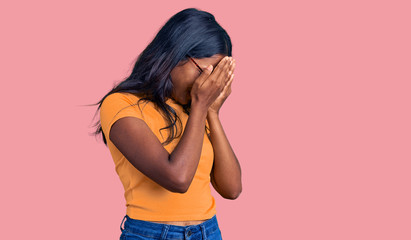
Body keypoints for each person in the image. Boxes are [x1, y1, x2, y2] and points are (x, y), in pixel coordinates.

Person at [91, 8, 242, 240]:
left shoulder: (196, 111)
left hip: (208, 231)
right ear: (176, 55)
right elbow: (177, 178)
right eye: (204, 72)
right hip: (152, 234)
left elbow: (232, 189)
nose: (207, 84)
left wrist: (212, 112)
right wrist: (201, 106)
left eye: (215, 78)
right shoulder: (121, 104)